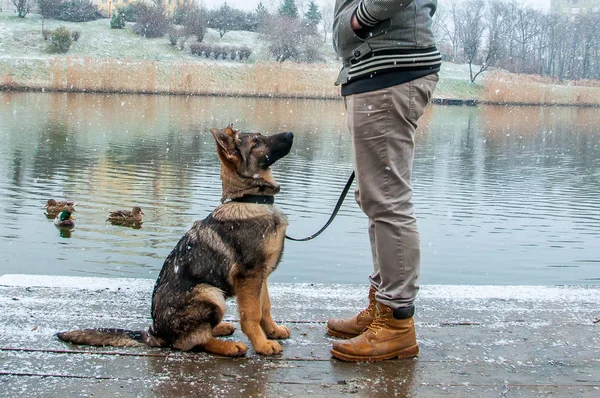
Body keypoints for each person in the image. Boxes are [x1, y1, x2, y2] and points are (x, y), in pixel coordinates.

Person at [326, 0, 441, 362]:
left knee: (387, 200)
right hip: (381, 71)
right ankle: (382, 307)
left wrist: (360, 18)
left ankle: (396, 324)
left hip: (390, 73)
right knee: (376, 196)